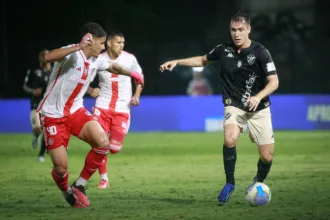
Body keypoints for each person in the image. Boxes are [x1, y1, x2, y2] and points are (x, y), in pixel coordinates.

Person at [160, 12, 279, 204]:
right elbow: (201, 60)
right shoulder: (223, 50)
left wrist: (258, 96)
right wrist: (177, 61)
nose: (237, 34)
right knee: (230, 137)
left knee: (267, 156)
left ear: (249, 29)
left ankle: (258, 182)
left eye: (241, 30)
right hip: (234, 104)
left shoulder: (261, 52)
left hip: (259, 107)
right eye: (233, 30)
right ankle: (230, 182)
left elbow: (274, 82)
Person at [37, 22, 144, 208]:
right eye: (101, 43)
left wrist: (133, 75)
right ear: (90, 40)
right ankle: (66, 191)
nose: (103, 47)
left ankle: (79, 185)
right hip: (53, 115)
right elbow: (49, 56)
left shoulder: (97, 60)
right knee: (61, 168)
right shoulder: (72, 54)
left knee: (102, 143)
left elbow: (114, 67)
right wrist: (78, 46)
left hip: (75, 112)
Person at [87, 31, 143, 189]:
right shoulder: (99, 58)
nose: (121, 46)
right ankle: (103, 179)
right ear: (109, 43)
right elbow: (84, 77)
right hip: (102, 107)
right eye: (118, 42)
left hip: (122, 108)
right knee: (100, 144)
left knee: (114, 148)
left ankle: (110, 152)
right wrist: (91, 90)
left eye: (123, 43)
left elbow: (140, 79)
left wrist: (137, 96)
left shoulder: (129, 59)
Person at [23, 49, 52, 162]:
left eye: (47, 55)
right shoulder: (34, 71)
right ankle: (35, 136)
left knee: (45, 131)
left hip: (49, 105)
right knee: (38, 129)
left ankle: (40, 155)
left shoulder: (54, 71)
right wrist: (33, 91)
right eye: (42, 56)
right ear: (40, 58)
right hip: (36, 104)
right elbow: (25, 86)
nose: (45, 58)